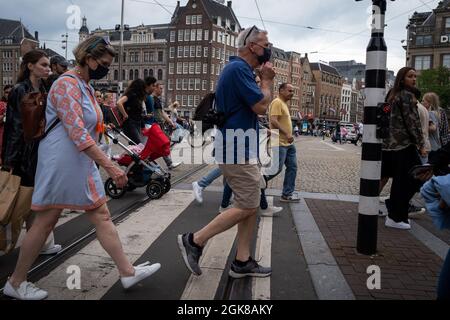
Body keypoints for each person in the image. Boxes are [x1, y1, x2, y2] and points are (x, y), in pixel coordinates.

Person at [3, 36, 161, 300]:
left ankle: (126, 271)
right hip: (62, 162)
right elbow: (77, 132)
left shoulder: (83, 85)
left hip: (76, 161)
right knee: (46, 221)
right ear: (88, 59)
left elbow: (89, 126)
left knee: (95, 216)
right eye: (104, 63)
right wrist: (111, 166)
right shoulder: (66, 85)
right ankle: (16, 282)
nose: (106, 69)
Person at [178, 25, 275, 278]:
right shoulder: (239, 69)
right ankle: (195, 240)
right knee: (248, 205)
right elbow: (261, 107)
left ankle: (242, 261)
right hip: (236, 148)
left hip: (239, 146)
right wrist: (266, 81)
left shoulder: (240, 70)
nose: (269, 49)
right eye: (266, 44)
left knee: (249, 204)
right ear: (252, 46)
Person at [1, 50, 62, 257]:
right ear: (30, 66)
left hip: (40, 151)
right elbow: (15, 127)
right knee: (20, 203)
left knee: (36, 199)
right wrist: (9, 161)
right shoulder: (20, 90)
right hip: (24, 155)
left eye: (48, 65)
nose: (48, 68)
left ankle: (43, 243)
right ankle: (36, 243)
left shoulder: (45, 87)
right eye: (43, 65)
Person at [381, 67, 426, 230]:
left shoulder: (392, 95)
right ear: (402, 79)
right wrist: (421, 144)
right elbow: (412, 122)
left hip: (389, 146)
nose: (414, 79)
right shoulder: (407, 96)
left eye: (415, 76)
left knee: (400, 181)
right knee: (416, 177)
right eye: (410, 76)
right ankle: (395, 215)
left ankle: (395, 213)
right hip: (403, 144)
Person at [261, 83, 299, 203]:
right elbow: (273, 121)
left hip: (288, 144)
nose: (292, 93)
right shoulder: (277, 102)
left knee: (292, 167)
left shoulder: (284, 104)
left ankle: (287, 194)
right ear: (281, 90)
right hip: (279, 142)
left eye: (293, 91)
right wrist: (287, 133)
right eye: (289, 91)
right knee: (276, 168)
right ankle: (257, 182)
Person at [152, 83, 180, 170]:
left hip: (159, 124)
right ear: (155, 88)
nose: (162, 90)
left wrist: (170, 122)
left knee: (164, 143)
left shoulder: (157, 100)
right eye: (160, 88)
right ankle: (169, 163)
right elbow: (153, 112)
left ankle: (169, 163)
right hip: (155, 124)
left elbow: (162, 112)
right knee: (163, 143)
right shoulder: (152, 99)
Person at [117, 79, 147, 145]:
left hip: (137, 122)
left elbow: (139, 113)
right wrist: (125, 115)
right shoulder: (131, 93)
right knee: (137, 143)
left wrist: (143, 126)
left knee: (134, 145)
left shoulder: (138, 97)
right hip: (130, 123)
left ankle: (130, 155)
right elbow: (119, 103)